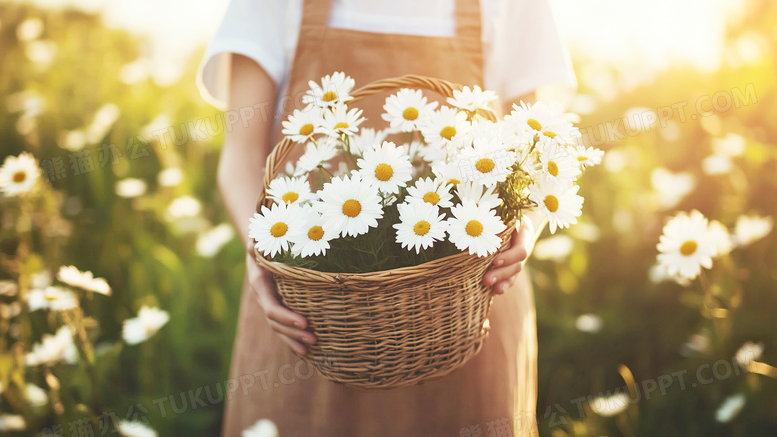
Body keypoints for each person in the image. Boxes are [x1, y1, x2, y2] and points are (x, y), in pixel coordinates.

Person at [197, 0, 576, 435]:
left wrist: (526, 225)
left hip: (475, 295)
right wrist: (262, 252)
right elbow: (239, 157)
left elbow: (527, 148)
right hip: (308, 309)